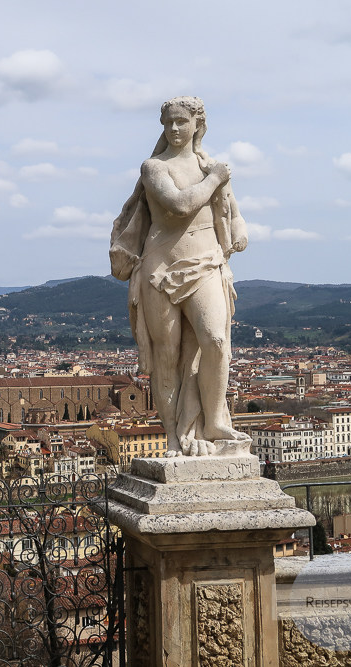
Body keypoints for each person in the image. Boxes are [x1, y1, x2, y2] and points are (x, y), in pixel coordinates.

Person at [110, 96, 251, 457]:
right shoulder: (154, 167)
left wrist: (239, 230)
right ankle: (175, 436)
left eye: (181, 122)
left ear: (197, 125)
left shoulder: (209, 167)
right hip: (160, 270)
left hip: (206, 262)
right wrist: (216, 178)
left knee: (215, 341)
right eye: (168, 122)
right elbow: (179, 204)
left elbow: (233, 212)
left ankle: (214, 421)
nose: (173, 128)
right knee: (167, 356)